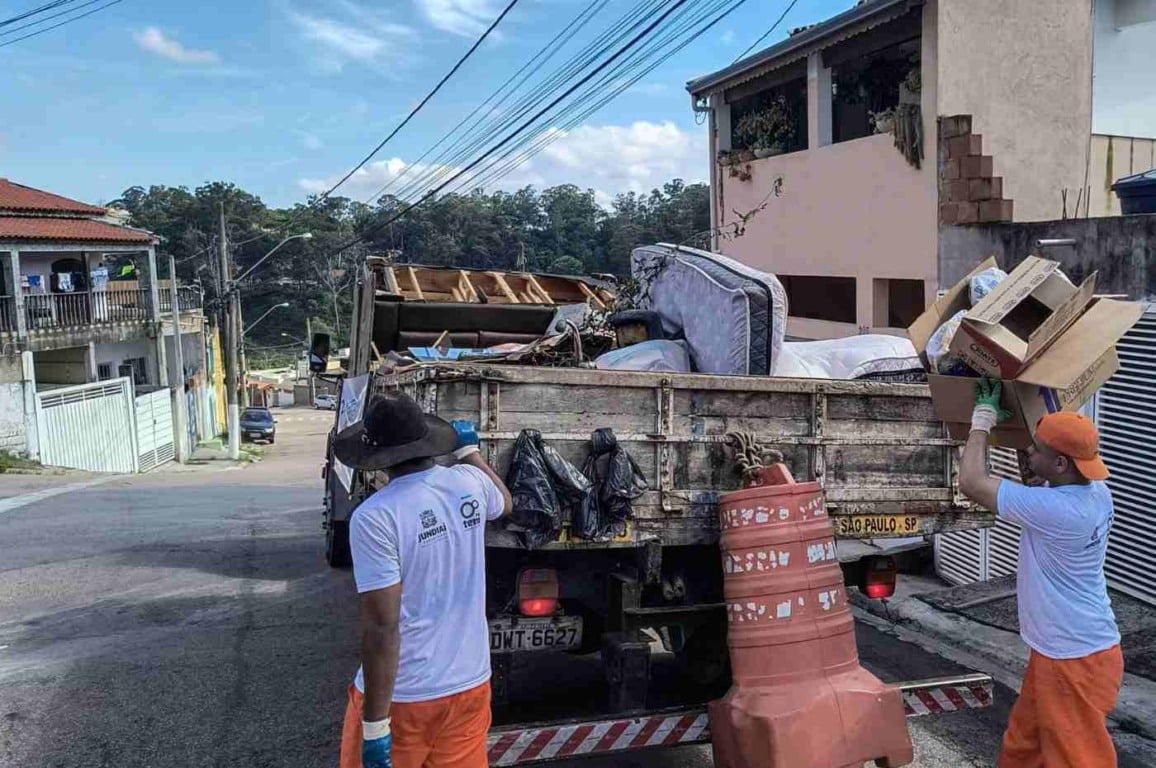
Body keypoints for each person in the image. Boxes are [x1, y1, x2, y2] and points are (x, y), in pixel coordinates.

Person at [333, 393, 512, 768]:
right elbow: (504, 502)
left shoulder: (376, 517)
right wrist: (470, 453)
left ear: (378, 460)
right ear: (427, 443)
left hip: (406, 698)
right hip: (469, 686)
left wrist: (376, 725)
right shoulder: (468, 482)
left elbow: (383, 628)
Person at [958, 379, 1122, 768]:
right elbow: (1037, 480)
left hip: (1074, 659)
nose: (1028, 450)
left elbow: (971, 482)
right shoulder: (1096, 490)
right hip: (1066, 650)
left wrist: (982, 418)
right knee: (1024, 748)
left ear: (1062, 465)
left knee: (1077, 759)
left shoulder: (1059, 511)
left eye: (1037, 448)